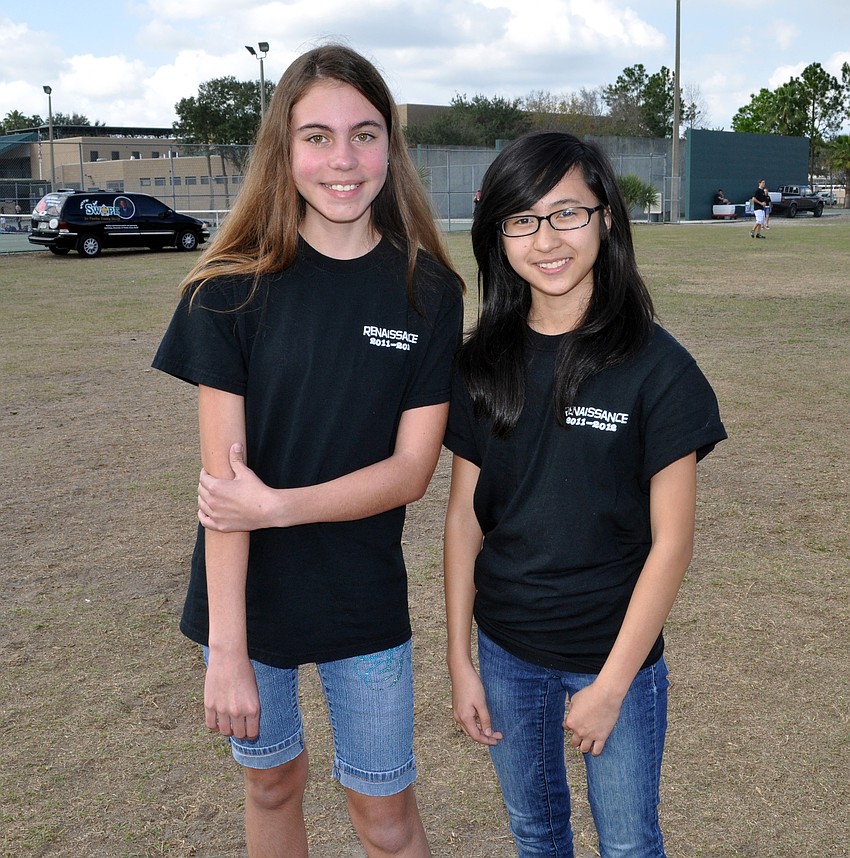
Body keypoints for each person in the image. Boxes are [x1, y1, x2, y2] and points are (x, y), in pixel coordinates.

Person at [153, 44, 464, 858]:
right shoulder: (227, 288)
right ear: (283, 151)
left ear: (390, 149)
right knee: (271, 784)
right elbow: (225, 490)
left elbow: (411, 471)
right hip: (252, 606)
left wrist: (280, 506)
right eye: (317, 136)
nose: (343, 159)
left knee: (387, 816)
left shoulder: (427, 290)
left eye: (365, 134)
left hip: (363, 601)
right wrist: (226, 649)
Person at [443, 131, 726, 857]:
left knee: (629, 844)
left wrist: (611, 686)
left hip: (615, 659)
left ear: (606, 219)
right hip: (506, 654)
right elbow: (463, 522)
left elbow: (674, 542)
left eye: (568, 212)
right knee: (536, 833)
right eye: (523, 218)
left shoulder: (659, 368)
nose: (546, 238)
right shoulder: (481, 363)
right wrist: (460, 659)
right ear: (498, 233)